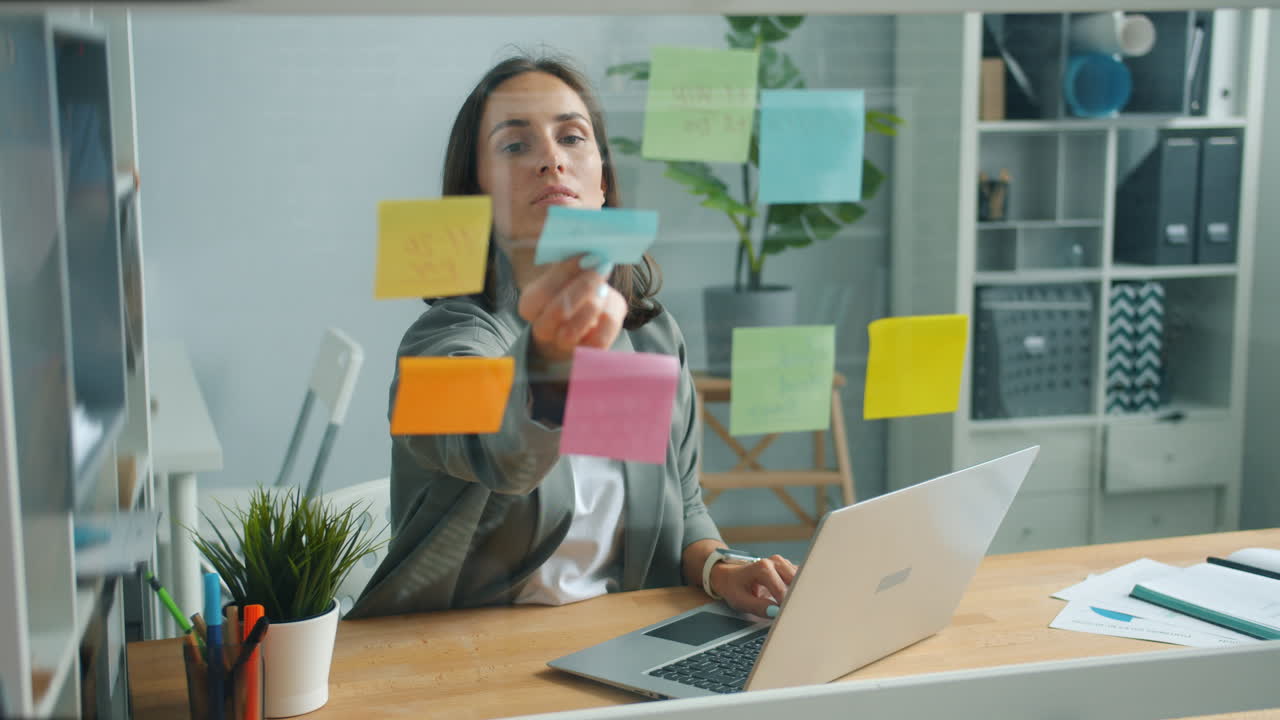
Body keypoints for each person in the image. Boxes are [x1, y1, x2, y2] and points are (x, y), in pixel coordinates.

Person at [347, 55, 795, 620]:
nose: (552, 160)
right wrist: (553, 359)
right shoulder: (441, 343)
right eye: (515, 145)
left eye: (571, 137)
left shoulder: (652, 337)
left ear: (602, 181)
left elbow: (682, 509)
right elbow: (503, 456)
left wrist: (722, 568)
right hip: (464, 659)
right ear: (476, 196)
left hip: (611, 640)